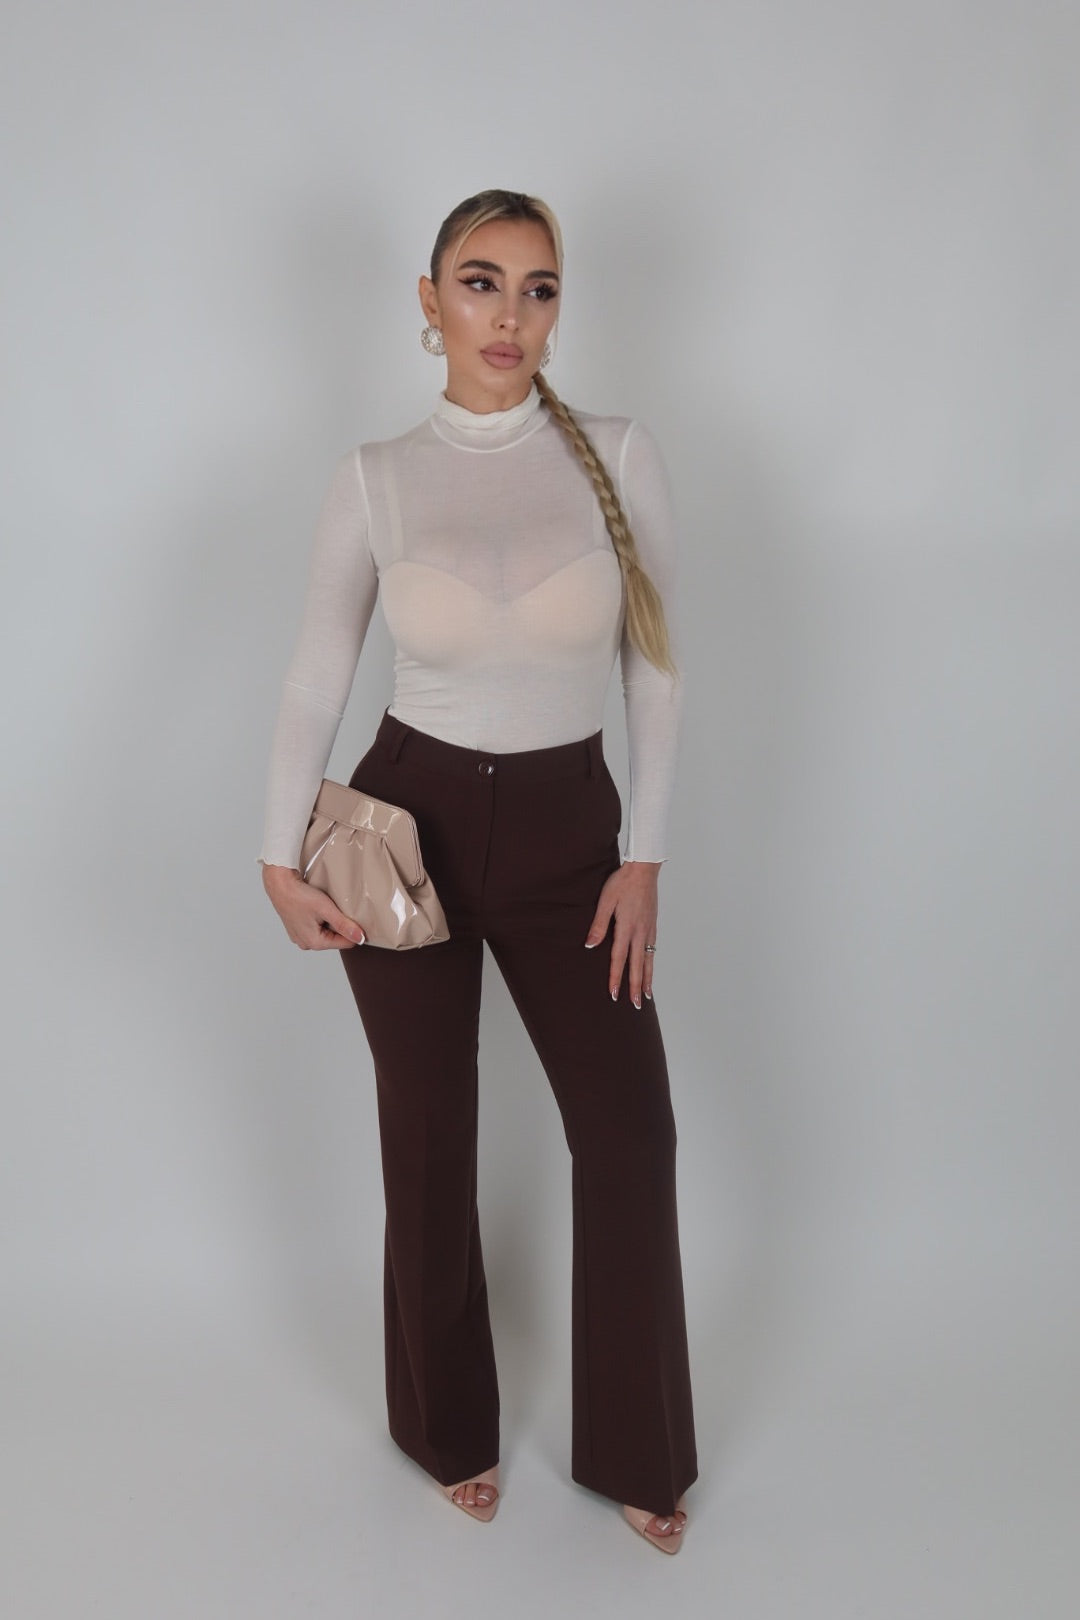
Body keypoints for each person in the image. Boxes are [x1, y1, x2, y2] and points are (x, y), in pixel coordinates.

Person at [257, 189, 697, 1553]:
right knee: (429, 1132)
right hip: (408, 825)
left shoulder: (617, 452)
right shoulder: (376, 475)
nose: (509, 314)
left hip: (575, 838)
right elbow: (318, 672)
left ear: (559, 309)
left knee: (629, 1133)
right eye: (481, 280)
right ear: (429, 298)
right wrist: (276, 856)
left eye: (538, 287)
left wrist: (644, 856)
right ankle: (448, 1428)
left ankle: (638, 1446)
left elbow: (656, 671)